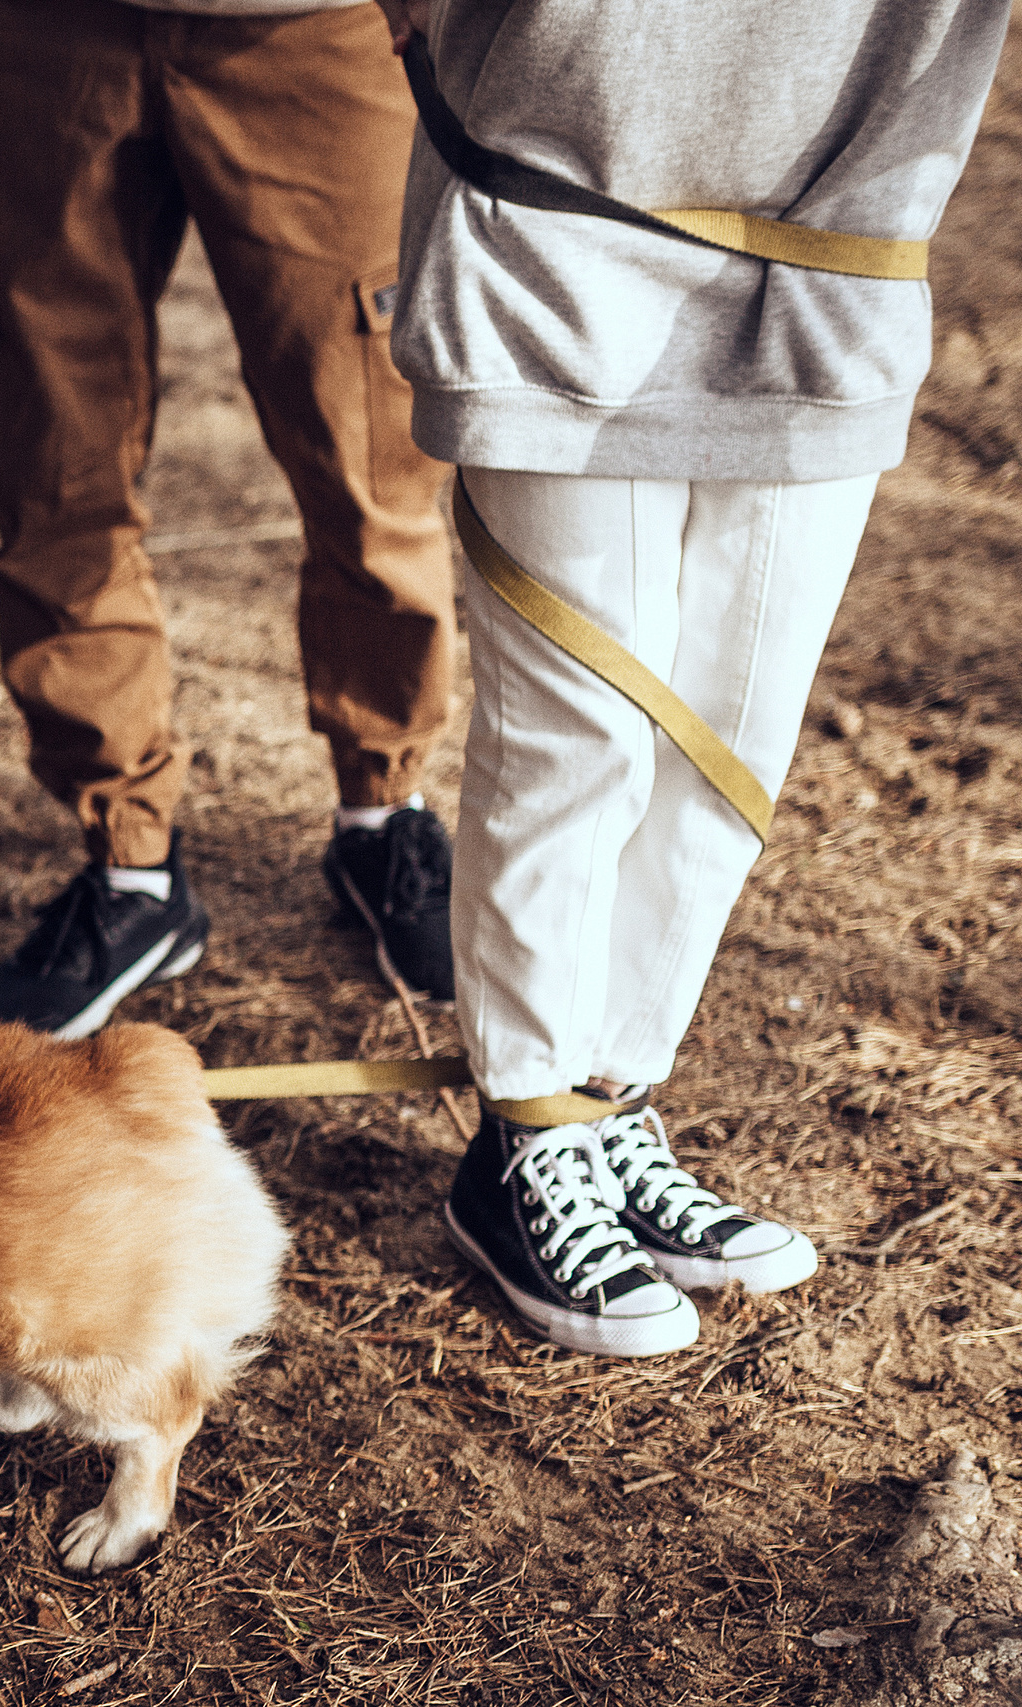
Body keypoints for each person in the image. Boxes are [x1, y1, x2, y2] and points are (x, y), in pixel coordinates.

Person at [381, 0, 1009, 1355]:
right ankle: (527, 1127)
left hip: (841, 264)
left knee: (729, 741)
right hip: (553, 231)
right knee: (578, 732)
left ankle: (607, 1096)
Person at [0, 0, 464, 1042]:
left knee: (368, 449)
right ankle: (128, 866)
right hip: (35, 35)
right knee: (50, 452)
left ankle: (382, 812)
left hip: (312, 26)